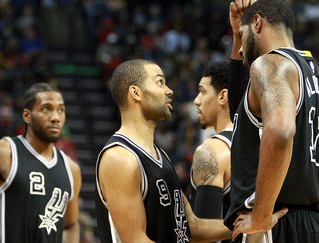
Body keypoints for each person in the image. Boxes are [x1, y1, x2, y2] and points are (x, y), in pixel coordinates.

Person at [96, 59, 265, 243]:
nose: (169, 91)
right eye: (160, 82)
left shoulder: (161, 155)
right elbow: (136, 239)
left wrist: (254, 222)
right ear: (136, 93)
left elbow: (192, 227)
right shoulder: (120, 158)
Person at [225, 0, 319, 242]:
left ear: (257, 23)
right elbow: (240, 112)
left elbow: (280, 131)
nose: (242, 51)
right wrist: (238, 35)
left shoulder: (269, 63)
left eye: (243, 35)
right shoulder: (311, 72)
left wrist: (260, 215)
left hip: (276, 222)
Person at [0, 83, 82, 243]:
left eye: (61, 110)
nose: (55, 117)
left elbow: (70, 225)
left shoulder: (71, 169)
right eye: (46, 109)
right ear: (27, 115)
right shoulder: (1, 153)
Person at [190, 62, 232, 243]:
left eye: (203, 91)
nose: (196, 100)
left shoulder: (213, 150)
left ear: (223, 96)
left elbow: (203, 237)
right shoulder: (263, 143)